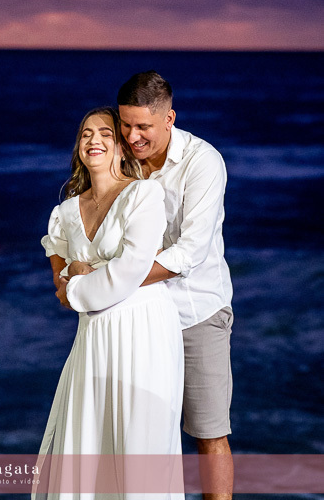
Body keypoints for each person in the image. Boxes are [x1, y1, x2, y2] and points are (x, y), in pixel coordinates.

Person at [36, 106, 184, 500]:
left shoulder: (143, 195)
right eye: (86, 134)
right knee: (88, 444)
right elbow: (60, 285)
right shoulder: (66, 213)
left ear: (121, 147)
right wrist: (73, 278)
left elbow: (130, 270)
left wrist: (78, 282)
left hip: (144, 330)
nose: (94, 140)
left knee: (140, 447)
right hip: (93, 336)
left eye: (105, 133)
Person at [117, 72, 234, 500]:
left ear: (169, 118)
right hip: (135, 317)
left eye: (143, 126)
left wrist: (113, 280)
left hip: (195, 315)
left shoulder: (203, 162)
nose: (132, 137)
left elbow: (190, 253)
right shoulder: (119, 156)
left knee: (209, 434)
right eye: (125, 124)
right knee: (136, 435)